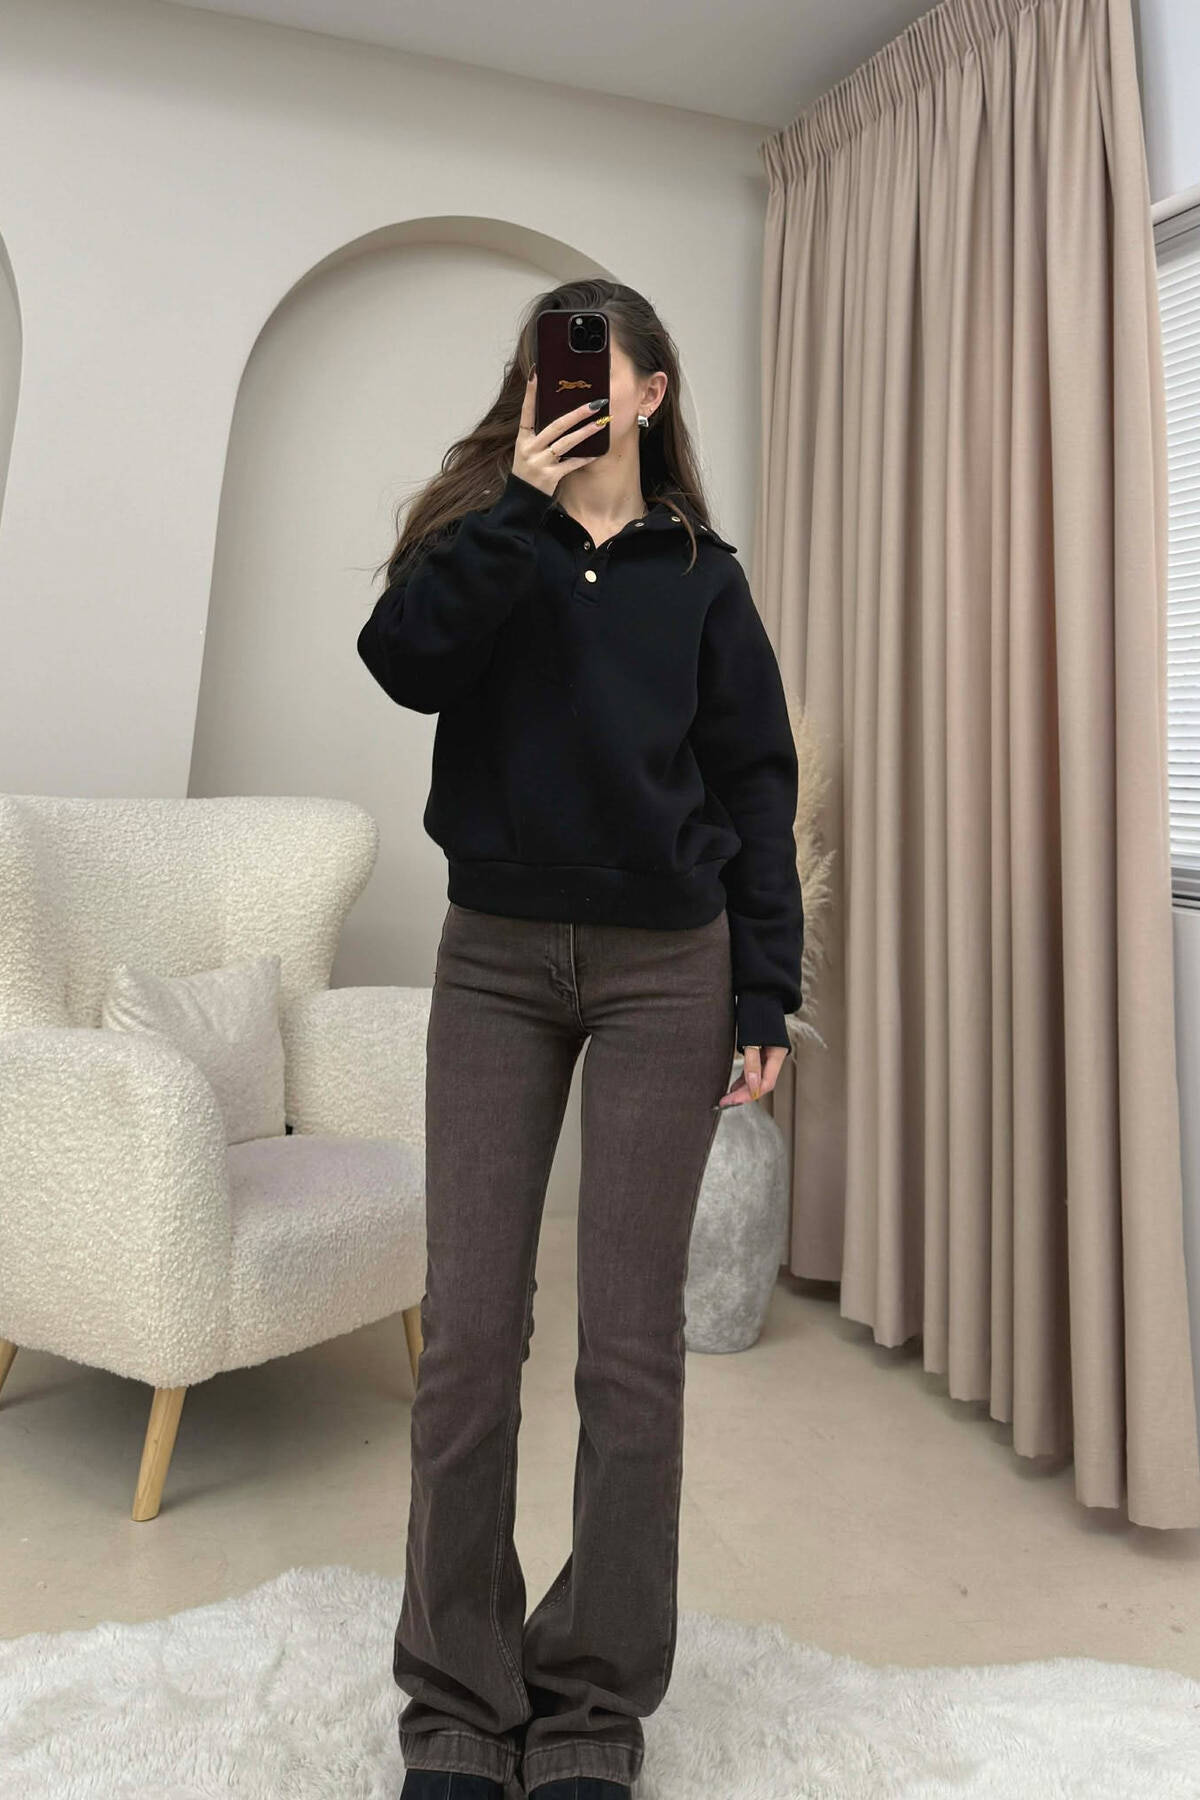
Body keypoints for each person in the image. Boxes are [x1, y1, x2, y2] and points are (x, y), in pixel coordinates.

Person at [357, 279, 804, 1800]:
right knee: (470, 1342)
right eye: (547, 360)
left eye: (594, 361)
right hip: (494, 960)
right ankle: (457, 1704)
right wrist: (519, 516)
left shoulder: (705, 580)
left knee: (630, 1356)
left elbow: (754, 786)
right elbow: (404, 663)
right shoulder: (484, 541)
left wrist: (764, 991)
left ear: (651, 394)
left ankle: (594, 1709)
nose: (564, 384)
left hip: (667, 968)